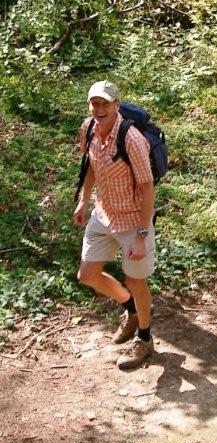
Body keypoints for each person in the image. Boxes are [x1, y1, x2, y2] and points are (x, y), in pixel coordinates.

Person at [73, 80, 156, 370]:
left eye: (105, 103)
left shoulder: (131, 139)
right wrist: (84, 201)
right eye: (95, 103)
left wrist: (141, 236)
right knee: (88, 274)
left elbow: (147, 188)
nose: (99, 109)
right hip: (103, 214)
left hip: (133, 220)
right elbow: (91, 166)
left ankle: (145, 339)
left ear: (116, 105)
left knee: (136, 281)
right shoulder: (89, 128)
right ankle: (131, 310)